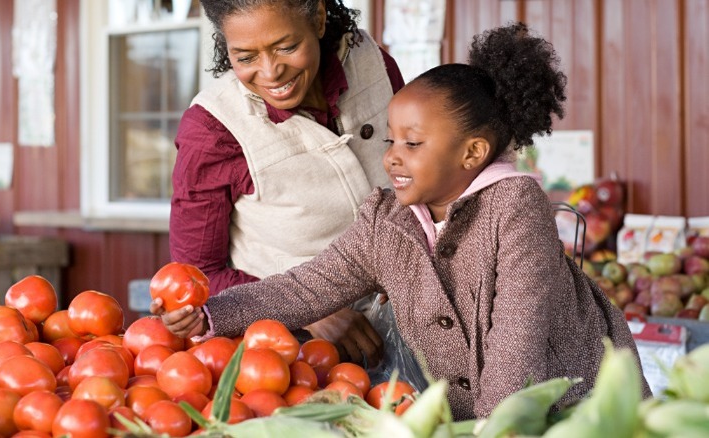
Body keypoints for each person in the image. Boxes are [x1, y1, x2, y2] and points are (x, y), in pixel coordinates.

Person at [155, 22, 651, 419]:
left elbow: (516, 344)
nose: (391, 157)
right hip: (483, 420)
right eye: (390, 140)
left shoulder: (517, 211)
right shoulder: (386, 220)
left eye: (412, 144)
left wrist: (495, 427)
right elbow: (304, 288)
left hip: (575, 410)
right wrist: (213, 314)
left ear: (472, 153)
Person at [165, 0, 405, 365]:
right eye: (245, 57)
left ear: (320, 20)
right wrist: (309, 309)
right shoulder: (212, 129)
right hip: (292, 353)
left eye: (287, 47)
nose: (271, 72)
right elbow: (198, 276)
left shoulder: (373, 64)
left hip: (412, 320)